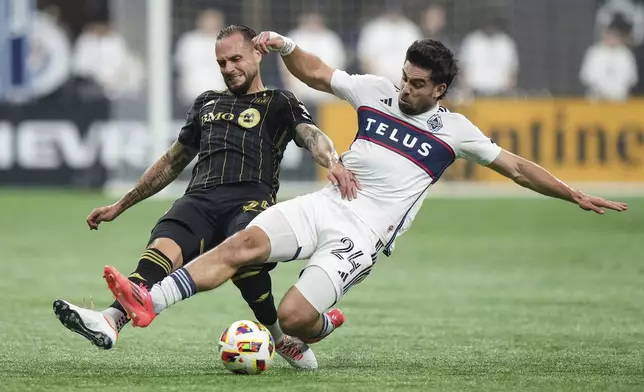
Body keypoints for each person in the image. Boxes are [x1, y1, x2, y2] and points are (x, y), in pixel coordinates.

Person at [101, 32, 627, 351]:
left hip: (363, 233)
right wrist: (284, 46)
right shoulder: (376, 91)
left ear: (439, 88)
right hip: (329, 202)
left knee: (293, 319)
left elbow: (515, 166)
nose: (405, 88)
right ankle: (149, 302)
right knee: (240, 247)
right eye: (405, 77)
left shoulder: (457, 130)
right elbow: (317, 73)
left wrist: (572, 192)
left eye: (418, 84)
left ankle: (322, 323)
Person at [52, 25, 358, 369]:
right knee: (160, 251)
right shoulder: (207, 103)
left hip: (250, 201)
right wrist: (120, 205)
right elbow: (172, 161)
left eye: (236, 58)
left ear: (258, 54)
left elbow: (311, 134)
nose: (229, 68)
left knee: (245, 259)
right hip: (198, 199)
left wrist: (333, 162)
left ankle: (279, 337)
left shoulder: (279, 101)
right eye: (222, 62)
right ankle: (109, 320)